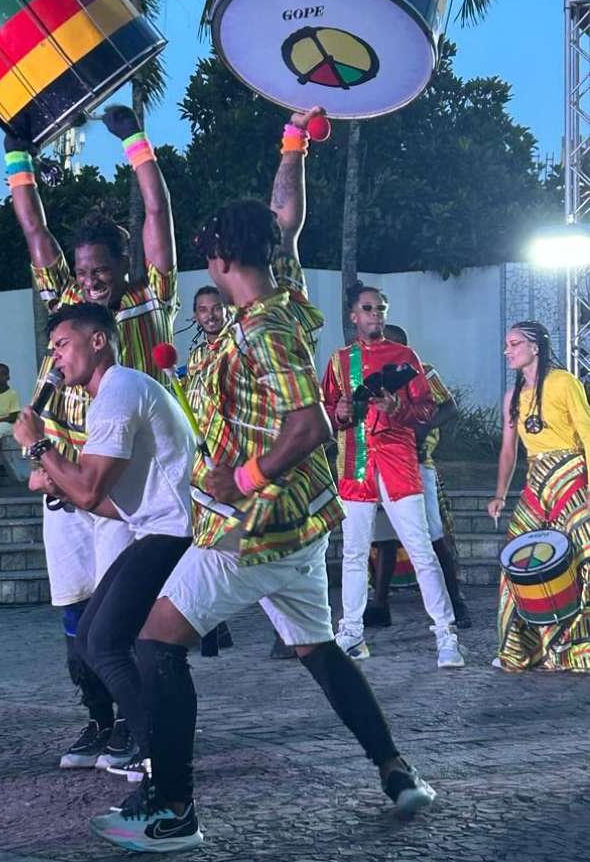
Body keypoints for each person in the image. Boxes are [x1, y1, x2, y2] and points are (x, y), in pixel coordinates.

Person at [90, 118, 436, 854]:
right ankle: (396, 770)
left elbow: (306, 425)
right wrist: (292, 141)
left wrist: (238, 473)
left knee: (155, 645)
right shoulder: (285, 301)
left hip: (252, 528)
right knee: (318, 650)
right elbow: (288, 217)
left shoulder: (260, 331)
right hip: (298, 530)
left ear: (217, 258)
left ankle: (173, 809)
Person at [6, 105, 177, 771]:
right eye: (82, 272)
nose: (90, 280)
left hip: (115, 491)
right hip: (59, 483)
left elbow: (158, 218)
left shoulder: (145, 301)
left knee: (117, 621)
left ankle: (144, 731)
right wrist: (16, 155)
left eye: (100, 269)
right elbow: (34, 230)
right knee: (74, 618)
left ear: (120, 266)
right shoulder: (64, 311)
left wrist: (136, 142)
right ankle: (101, 721)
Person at [14, 303, 195, 771]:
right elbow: (106, 501)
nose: (56, 359)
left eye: (63, 345)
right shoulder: (113, 394)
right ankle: (152, 747)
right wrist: (60, 483)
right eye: (51, 349)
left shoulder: (118, 392)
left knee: (107, 642)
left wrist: (39, 446)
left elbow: (92, 489)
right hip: (153, 527)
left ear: (99, 341)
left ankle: (157, 754)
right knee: (97, 634)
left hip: (173, 532)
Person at [322, 286, 464, 667]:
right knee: (353, 552)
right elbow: (328, 415)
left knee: (420, 548)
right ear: (353, 315)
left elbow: (426, 411)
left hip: (399, 461)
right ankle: (350, 633)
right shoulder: (339, 361)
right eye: (368, 309)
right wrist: (339, 411)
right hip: (356, 463)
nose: (376, 315)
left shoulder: (405, 356)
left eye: (381, 309)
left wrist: (396, 405)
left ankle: (446, 636)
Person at [488, 321, 590, 671]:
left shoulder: (564, 382)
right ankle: (523, 648)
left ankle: (580, 648)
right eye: (506, 344)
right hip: (537, 482)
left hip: (570, 475)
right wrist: (500, 493)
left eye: (514, 343)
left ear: (535, 347)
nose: (507, 350)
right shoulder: (513, 396)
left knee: (585, 553)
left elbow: (588, 434)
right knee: (518, 558)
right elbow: (507, 450)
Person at [366, 325, 471, 629]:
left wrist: (424, 427)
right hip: (381, 463)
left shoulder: (422, 371)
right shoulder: (370, 375)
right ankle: (380, 604)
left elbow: (450, 406)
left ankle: (456, 601)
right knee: (384, 538)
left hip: (416, 463)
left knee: (433, 535)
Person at [185, 286, 234, 659]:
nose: (211, 315)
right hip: (203, 462)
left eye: (216, 308)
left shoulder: (240, 347)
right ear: (195, 316)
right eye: (203, 310)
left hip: (237, 459)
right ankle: (214, 624)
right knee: (206, 542)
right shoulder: (196, 355)